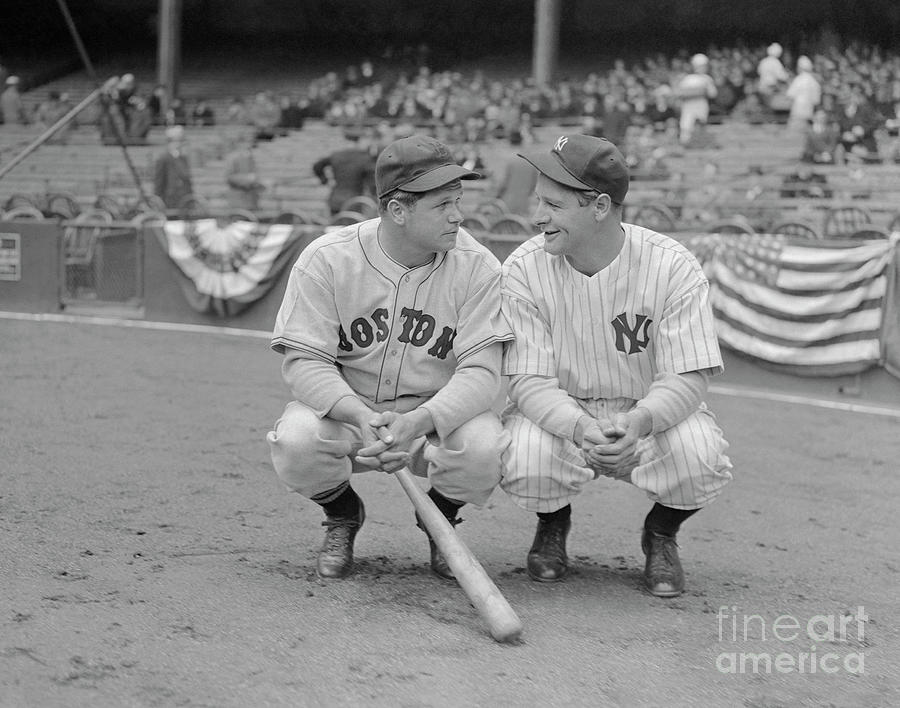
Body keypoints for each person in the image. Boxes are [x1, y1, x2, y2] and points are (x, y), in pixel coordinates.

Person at [267, 135, 514, 580]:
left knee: (483, 448)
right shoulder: (327, 259)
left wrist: (418, 423)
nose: (458, 215)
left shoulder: (478, 266)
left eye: (457, 201)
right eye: (442, 205)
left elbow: (481, 372)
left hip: (433, 419)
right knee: (296, 440)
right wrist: (361, 417)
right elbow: (305, 362)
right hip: (349, 415)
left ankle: (439, 517)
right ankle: (342, 512)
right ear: (398, 210)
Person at [499, 134, 733, 597]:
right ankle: (553, 522)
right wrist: (581, 428)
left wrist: (640, 421)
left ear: (600, 206)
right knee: (524, 456)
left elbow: (687, 375)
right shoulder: (524, 268)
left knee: (699, 456)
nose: (536, 216)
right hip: (562, 413)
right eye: (538, 202)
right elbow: (528, 380)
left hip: (647, 412)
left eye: (553, 204)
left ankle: (661, 533)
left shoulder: (672, 266)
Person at [312, 135, 377, 215]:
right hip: (354, 201)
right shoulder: (365, 158)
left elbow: (317, 166)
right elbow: (372, 181)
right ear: (360, 141)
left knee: (336, 224)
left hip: (336, 199)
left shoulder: (336, 155)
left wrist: (324, 180)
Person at [675, 54, 717, 146]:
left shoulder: (707, 79)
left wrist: (701, 91)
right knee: (686, 125)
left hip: (701, 105)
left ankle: (701, 143)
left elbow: (713, 94)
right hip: (688, 106)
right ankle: (684, 143)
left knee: (701, 123)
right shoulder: (687, 78)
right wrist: (696, 92)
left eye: (703, 66)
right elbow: (679, 93)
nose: (701, 68)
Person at [153, 125, 194, 210]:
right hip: (170, 203)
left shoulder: (183, 159)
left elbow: (187, 182)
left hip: (185, 202)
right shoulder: (163, 159)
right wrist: (158, 203)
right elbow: (159, 184)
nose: (181, 144)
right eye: (179, 140)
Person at [224, 131, 266, 210]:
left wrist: (260, 183)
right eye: (247, 141)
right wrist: (247, 179)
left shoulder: (251, 158)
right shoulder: (232, 158)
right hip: (238, 199)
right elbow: (229, 177)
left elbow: (254, 176)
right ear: (240, 143)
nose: (249, 144)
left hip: (252, 199)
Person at [785, 56, 821, 130]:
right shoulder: (814, 82)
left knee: (794, 133)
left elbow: (790, 95)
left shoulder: (798, 79)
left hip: (797, 112)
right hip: (809, 113)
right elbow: (816, 101)